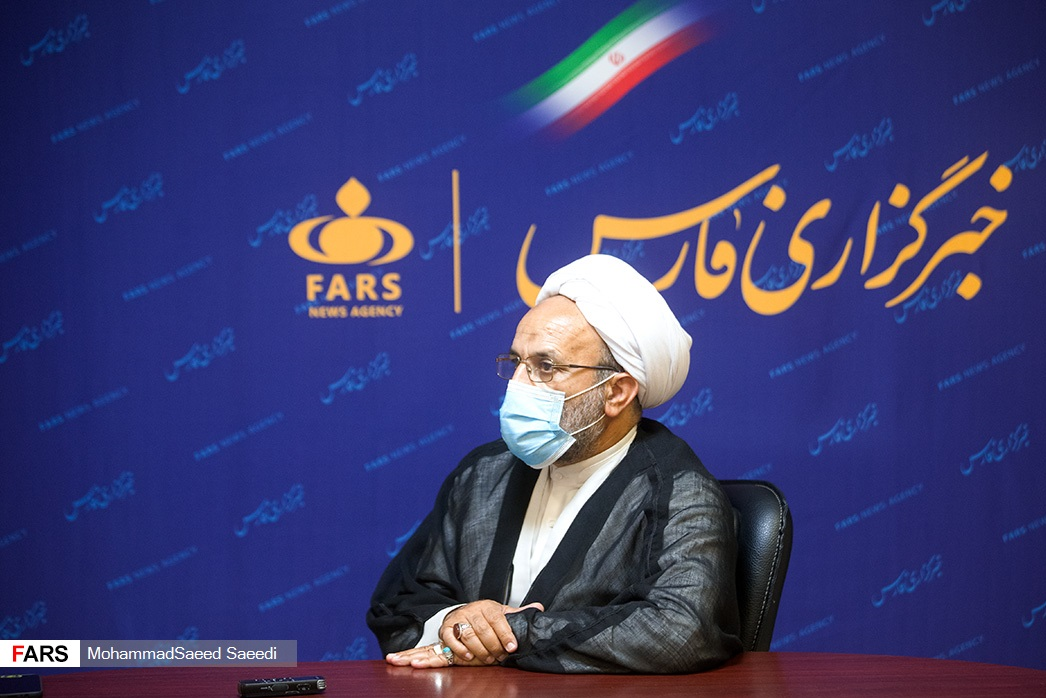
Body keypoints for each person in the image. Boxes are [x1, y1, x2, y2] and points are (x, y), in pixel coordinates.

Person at [367, 254, 741, 673]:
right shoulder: (483, 474)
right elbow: (397, 603)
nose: (518, 385)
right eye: (516, 363)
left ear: (616, 392)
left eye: (545, 367)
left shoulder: (680, 493)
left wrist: (510, 634)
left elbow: (681, 630)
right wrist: (456, 621)